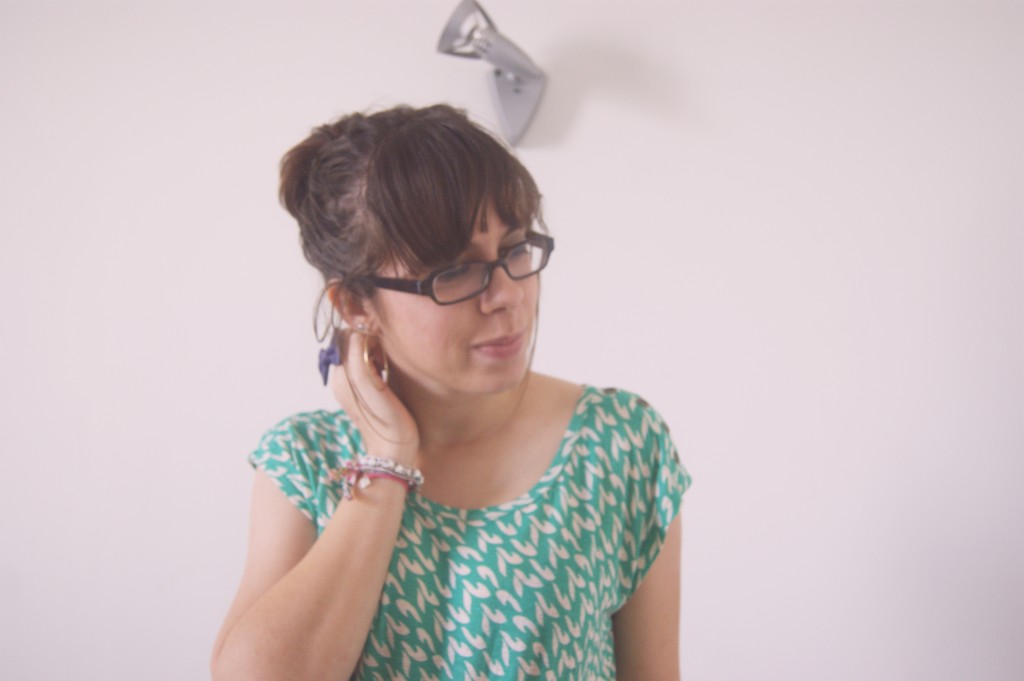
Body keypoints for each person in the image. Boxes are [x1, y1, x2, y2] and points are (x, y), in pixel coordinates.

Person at [211, 104, 692, 681]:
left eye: (515, 248)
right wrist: (388, 459)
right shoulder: (306, 462)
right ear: (357, 304)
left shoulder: (618, 443)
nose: (506, 294)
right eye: (455, 271)